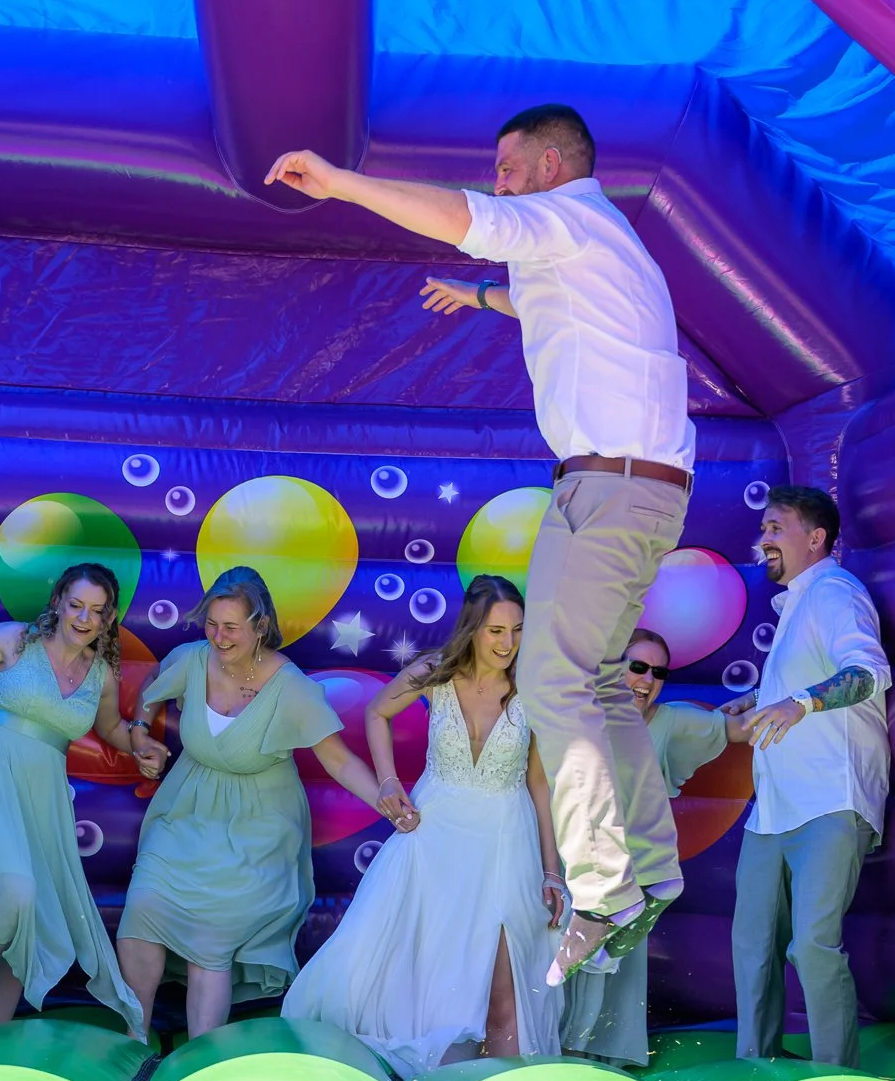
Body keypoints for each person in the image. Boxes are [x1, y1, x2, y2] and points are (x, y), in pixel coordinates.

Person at [266, 103, 695, 985]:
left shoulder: (565, 217)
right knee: (596, 679)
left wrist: (341, 183)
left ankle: (605, 886)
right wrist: (481, 299)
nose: (496, 181)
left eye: (506, 167)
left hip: (610, 487)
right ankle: (651, 868)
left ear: (549, 165)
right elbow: (537, 299)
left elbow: (459, 216)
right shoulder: (595, 246)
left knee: (554, 680)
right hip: (633, 487)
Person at [282, 577, 566, 1075]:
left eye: (518, 630)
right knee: (423, 967)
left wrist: (551, 870)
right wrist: (388, 781)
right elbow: (377, 712)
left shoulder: (533, 689)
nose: (508, 643)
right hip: (434, 839)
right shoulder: (434, 673)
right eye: (496, 630)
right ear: (472, 628)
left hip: (505, 844)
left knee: (504, 983)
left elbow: (538, 784)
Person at [116, 566, 412, 1041]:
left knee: (211, 936)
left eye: (231, 627)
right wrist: (139, 734)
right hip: (185, 811)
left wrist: (386, 800)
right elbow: (152, 686)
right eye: (212, 624)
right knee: (142, 911)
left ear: (261, 627)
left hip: (257, 824)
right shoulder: (191, 660)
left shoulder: (290, 687)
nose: (219, 637)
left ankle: (200, 1056)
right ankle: (134, 1041)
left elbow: (338, 760)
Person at [0, 563, 163, 1038]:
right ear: (58, 601)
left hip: (43, 800)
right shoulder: (14, 640)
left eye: (96, 611)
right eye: (76, 605)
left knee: (33, 920)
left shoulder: (101, 674)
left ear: (108, 619)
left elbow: (110, 729)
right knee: (15, 891)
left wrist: (141, 745)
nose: (83, 618)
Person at [720, 486, 891, 1068]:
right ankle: (755, 1067)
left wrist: (798, 704)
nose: (763, 539)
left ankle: (835, 1077)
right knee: (752, 945)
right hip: (774, 809)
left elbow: (867, 671)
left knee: (813, 944)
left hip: (829, 801)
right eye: (764, 529)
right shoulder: (797, 601)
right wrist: (756, 699)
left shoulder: (835, 591)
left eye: (776, 528)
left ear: (815, 538)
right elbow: (800, 678)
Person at [560, 627, 740, 1067]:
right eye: (637, 667)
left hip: (625, 869)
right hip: (566, 860)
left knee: (603, 972)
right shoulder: (579, 713)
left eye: (658, 673)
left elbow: (736, 730)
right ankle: (547, 1055)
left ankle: (589, 1062)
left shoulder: (670, 720)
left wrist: (792, 700)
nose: (646, 679)